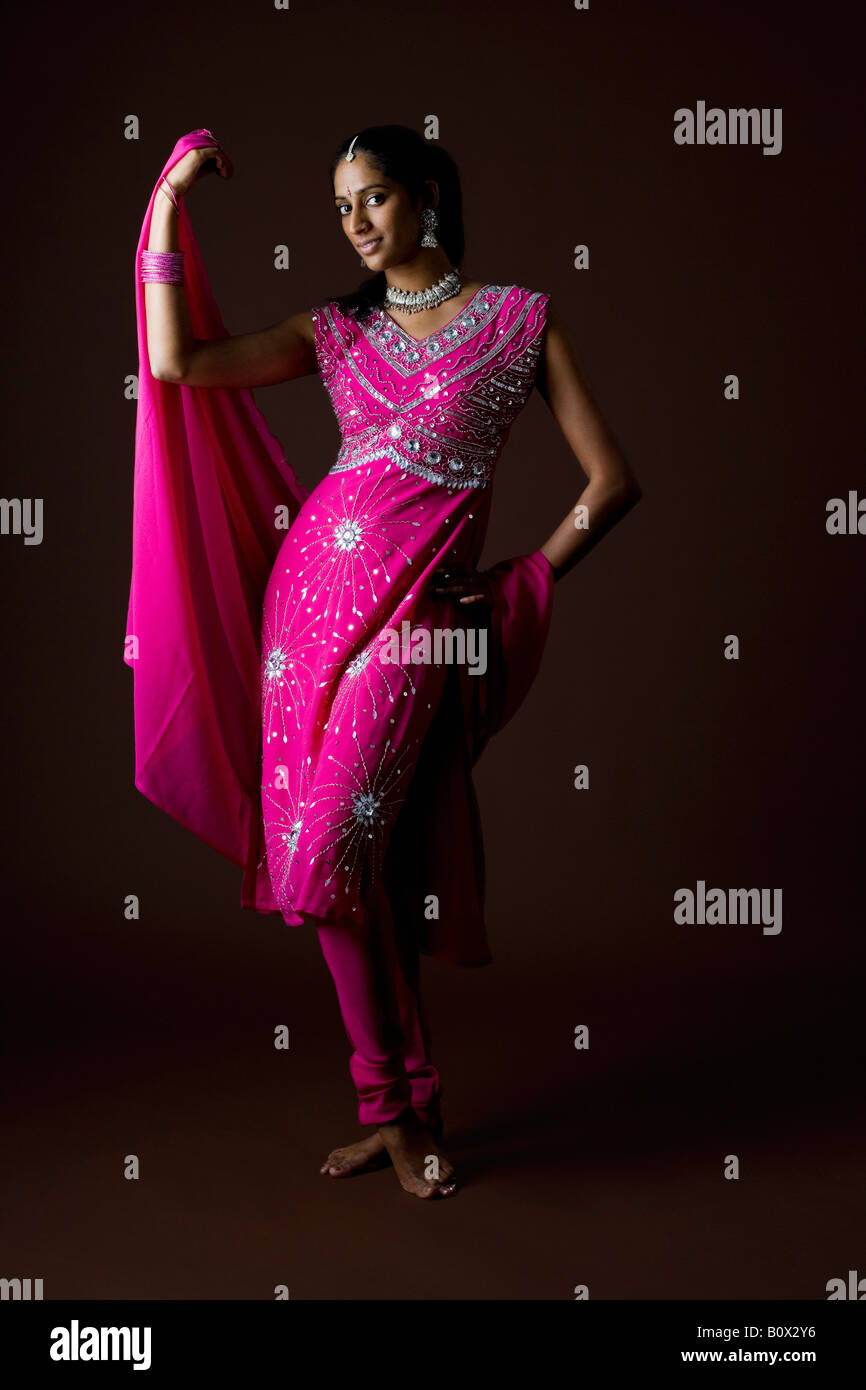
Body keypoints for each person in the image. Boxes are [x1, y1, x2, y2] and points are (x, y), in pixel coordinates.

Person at [135, 124, 641, 1200]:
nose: (355, 223)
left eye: (370, 198)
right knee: (341, 877)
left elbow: (611, 482)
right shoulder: (332, 332)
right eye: (339, 208)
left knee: (327, 859)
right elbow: (177, 365)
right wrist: (168, 209)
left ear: (424, 195)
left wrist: (513, 581)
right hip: (303, 618)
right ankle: (402, 1109)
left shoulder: (518, 323)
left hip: (418, 625)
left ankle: (398, 1108)